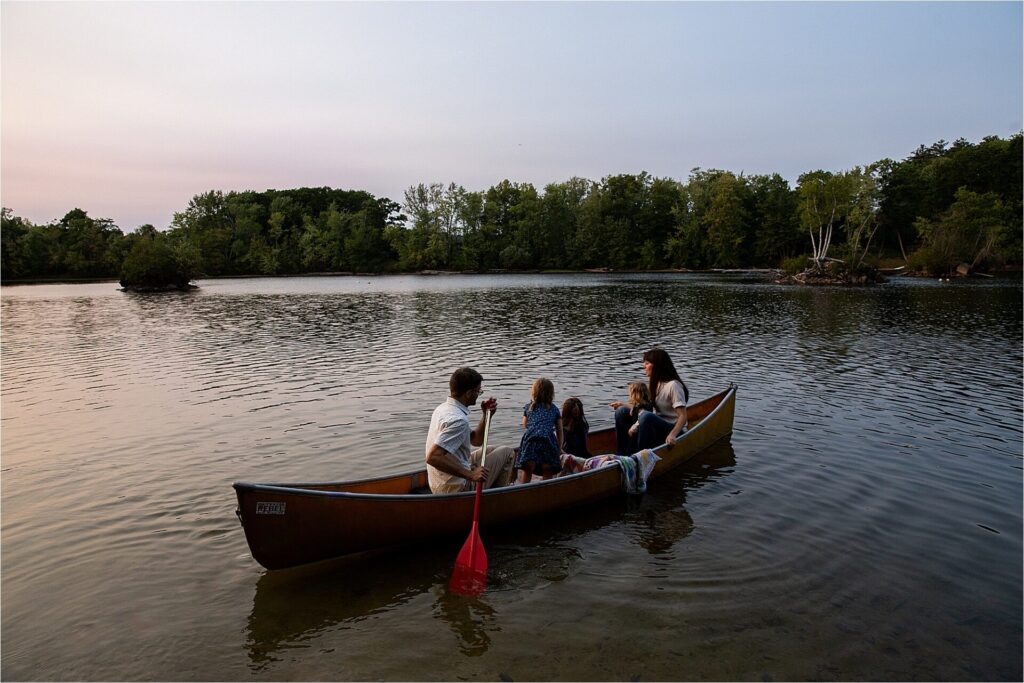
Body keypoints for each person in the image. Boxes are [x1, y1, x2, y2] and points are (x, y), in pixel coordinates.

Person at [425, 367, 516, 494]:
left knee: (493, 449)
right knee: (508, 453)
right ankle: (493, 498)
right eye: (478, 391)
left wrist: (486, 415)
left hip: (439, 482)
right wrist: (470, 474)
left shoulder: (443, 409)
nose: (479, 395)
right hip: (455, 488)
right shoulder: (458, 420)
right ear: (468, 393)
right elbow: (433, 457)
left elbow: (476, 441)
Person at [610, 348, 689, 453]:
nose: (644, 366)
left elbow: (683, 416)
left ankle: (641, 456)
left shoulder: (673, 385)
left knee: (646, 416)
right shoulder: (654, 384)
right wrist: (623, 404)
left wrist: (672, 435)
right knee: (621, 411)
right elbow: (645, 408)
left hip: (673, 429)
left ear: (657, 366)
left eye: (647, 363)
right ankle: (623, 452)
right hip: (653, 424)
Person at [515, 378, 563, 483]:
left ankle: (523, 491)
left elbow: (525, 425)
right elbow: (560, 430)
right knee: (547, 469)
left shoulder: (529, 407)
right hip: (547, 439)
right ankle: (546, 492)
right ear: (551, 394)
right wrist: (559, 448)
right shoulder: (554, 409)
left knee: (527, 469)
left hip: (531, 439)